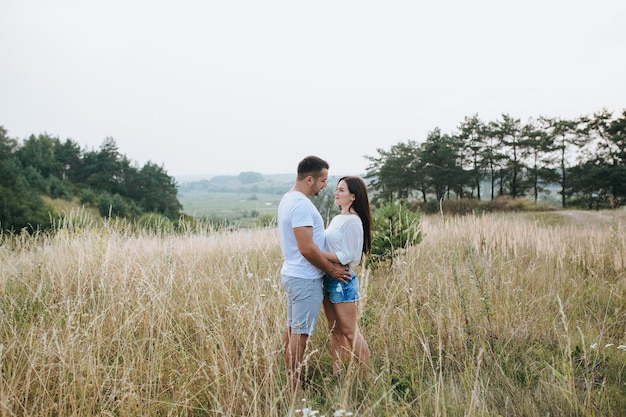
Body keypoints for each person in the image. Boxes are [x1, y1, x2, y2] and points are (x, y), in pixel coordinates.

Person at [277, 156, 351, 393]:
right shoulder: (300, 205)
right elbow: (306, 248)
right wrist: (332, 270)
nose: (325, 186)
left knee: (292, 331)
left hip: (296, 275)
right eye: (323, 180)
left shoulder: (290, 199)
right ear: (309, 179)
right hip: (304, 279)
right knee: (300, 335)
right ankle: (294, 388)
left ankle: (292, 382)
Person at [321, 176, 372, 374]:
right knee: (335, 331)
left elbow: (350, 256)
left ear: (353, 196)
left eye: (341, 190)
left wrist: (316, 254)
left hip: (342, 281)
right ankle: (337, 373)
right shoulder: (337, 218)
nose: (336, 193)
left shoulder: (353, 221)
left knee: (350, 332)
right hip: (329, 277)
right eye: (337, 189)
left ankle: (366, 375)